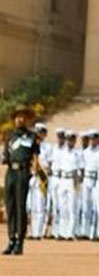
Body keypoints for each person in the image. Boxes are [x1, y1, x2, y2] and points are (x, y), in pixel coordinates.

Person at [5, 107, 42, 255]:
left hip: (23, 172)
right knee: (10, 207)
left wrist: (35, 173)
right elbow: (6, 155)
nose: (20, 119)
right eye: (17, 117)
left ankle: (20, 241)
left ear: (27, 119)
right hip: (11, 173)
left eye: (23, 117)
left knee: (20, 208)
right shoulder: (10, 136)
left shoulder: (32, 137)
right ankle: (11, 239)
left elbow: (36, 158)